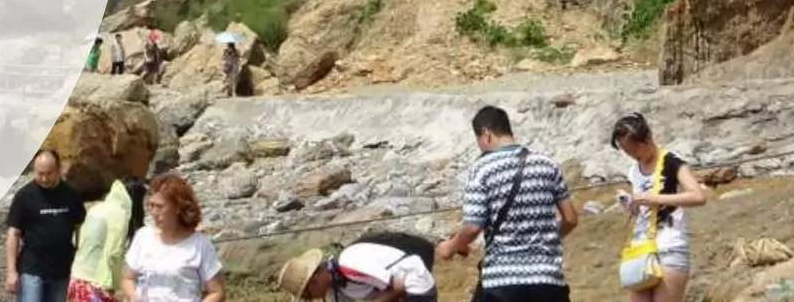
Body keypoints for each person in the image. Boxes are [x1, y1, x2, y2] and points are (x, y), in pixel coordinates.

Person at [436, 105, 577, 302]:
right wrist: (544, 239)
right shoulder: (547, 164)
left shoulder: (483, 168)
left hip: (503, 282)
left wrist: (450, 247)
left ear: (486, 134)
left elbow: (473, 226)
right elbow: (570, 219)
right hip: (549, 280)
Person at [609, 114, 707, 302]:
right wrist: (630, 203)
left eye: (634, 149)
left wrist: (654, 198)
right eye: (626, 151)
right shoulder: (634, 170)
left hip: (670, 247)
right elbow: (643, 211)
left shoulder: (672, 161)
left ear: (647, 139)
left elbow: (698, 196)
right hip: (641, 248)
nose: (632, 155)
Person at [123, 173, 224, 302]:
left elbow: (217, 292)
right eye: (151, 205)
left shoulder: (200, 245)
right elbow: (128, 278)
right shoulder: (143, 237)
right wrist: (133, 296)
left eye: (159, 207)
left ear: (177, 208)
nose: (154, 213)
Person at [7, 148, 87, 302]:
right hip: (32, 269)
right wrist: (11, 272)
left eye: (49, 173)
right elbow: (13, 233)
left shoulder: (72, 195)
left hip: (63, 270)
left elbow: (81, 229)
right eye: (40, 174)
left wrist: (82, 265)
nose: (44, 179)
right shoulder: (24, 196)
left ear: (59, 169)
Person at [276, 232, 439, 302]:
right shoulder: (334, 289)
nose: (312, 300)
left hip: (415, 284)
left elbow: (398, 286)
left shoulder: (349, 264)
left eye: (308, 296)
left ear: (313, 281)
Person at [70, 171, 133, 302]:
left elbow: (77, 241)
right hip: (97, 283)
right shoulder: (119, 214)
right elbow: (114, 253)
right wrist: (118, 284)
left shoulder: (96, 209)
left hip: (77, 278)